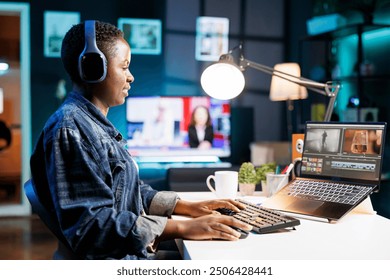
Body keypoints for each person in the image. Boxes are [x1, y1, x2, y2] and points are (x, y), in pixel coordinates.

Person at [29, 20, 251, 260]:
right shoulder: (72, 130)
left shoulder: (91, 124)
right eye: (124, 67)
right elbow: (91, 228)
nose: (131, 77)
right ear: (93, 68)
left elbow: (125, 190)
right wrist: (182, 227)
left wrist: (187, 207)